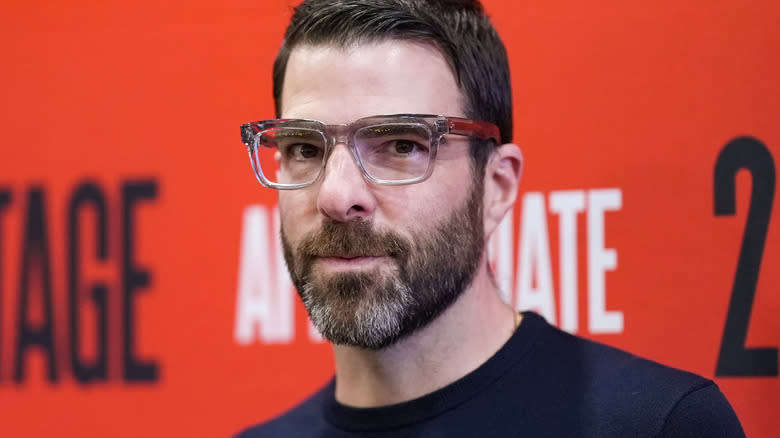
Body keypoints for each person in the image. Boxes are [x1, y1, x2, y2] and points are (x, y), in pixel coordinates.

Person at [235, 0, 745, 436]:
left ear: (497, 186)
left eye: (400, 144)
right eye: (303, 146)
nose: (336, 194)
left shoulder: (657, 424)